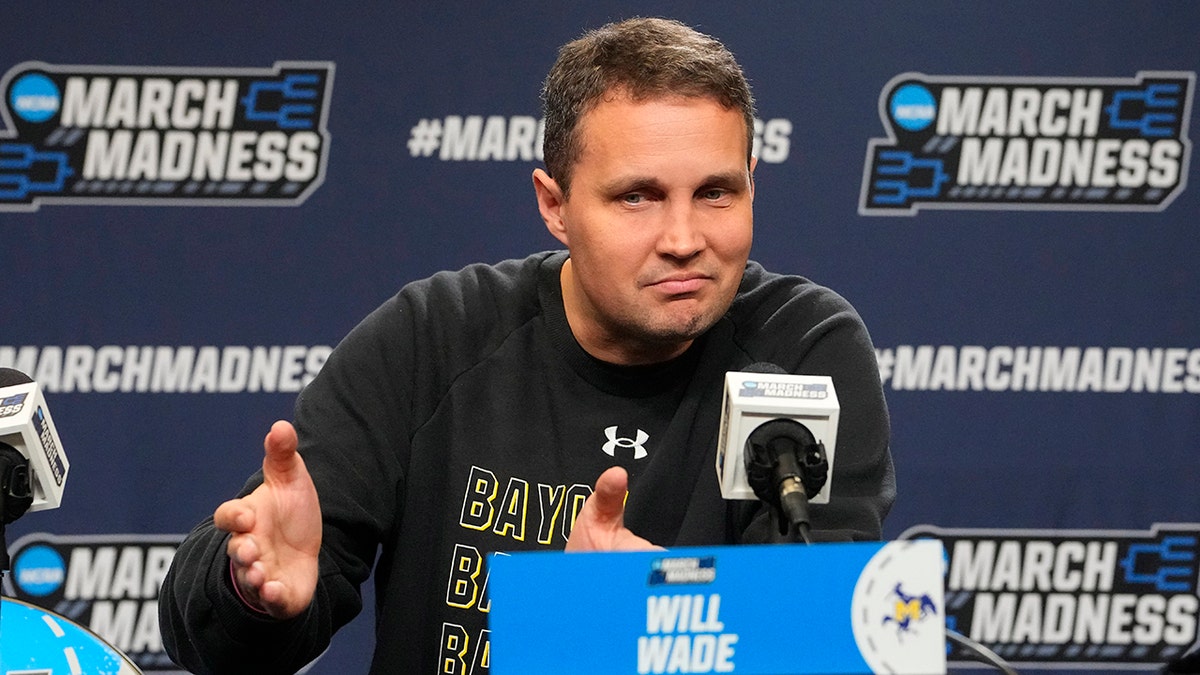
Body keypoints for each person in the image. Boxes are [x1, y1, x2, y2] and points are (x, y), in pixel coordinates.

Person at [159, 16, 895, 674]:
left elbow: (832, 638)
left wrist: (664, 611)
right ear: (554, 204)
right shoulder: (432, 337)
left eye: (716, 192)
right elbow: (209, 646)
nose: (684, 240)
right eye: (636, 196)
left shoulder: (805, 345)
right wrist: (249, 589)